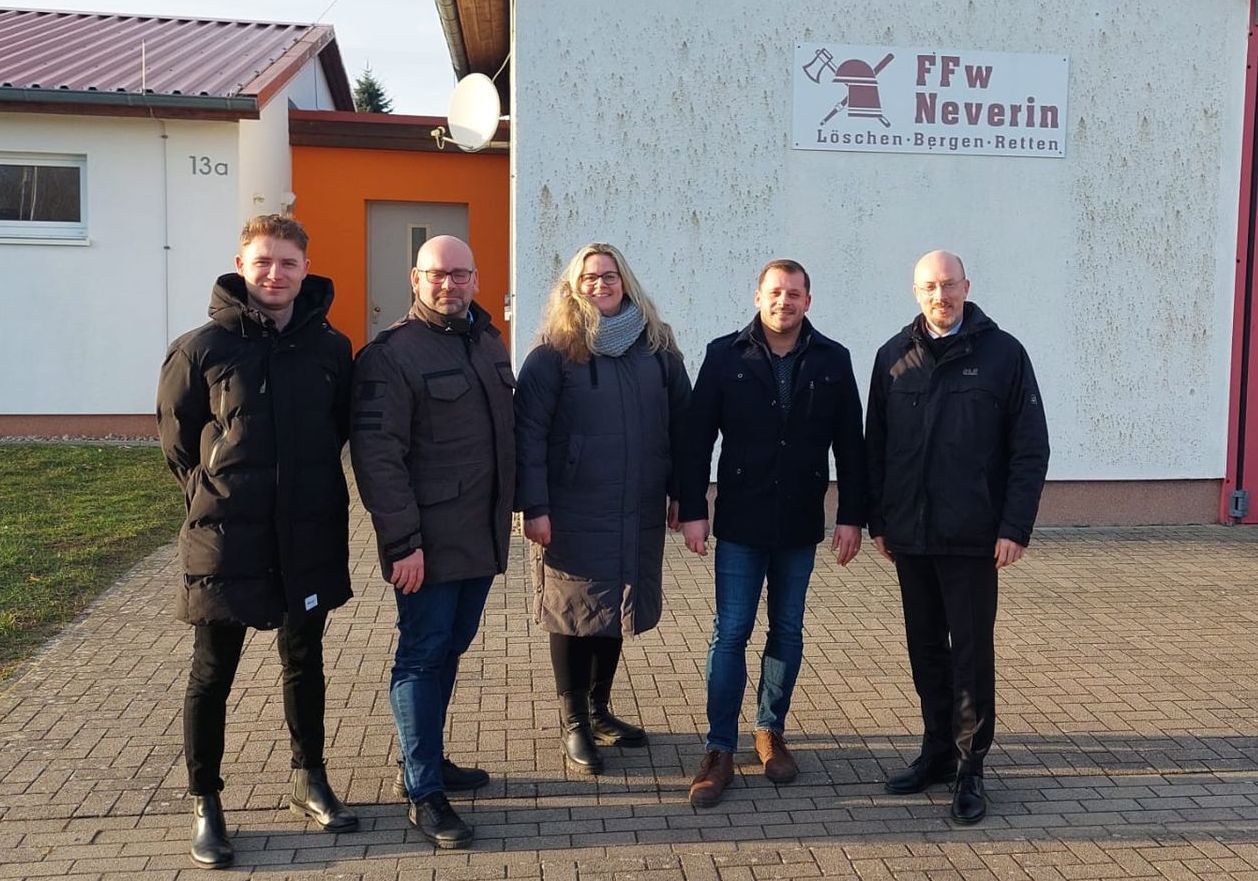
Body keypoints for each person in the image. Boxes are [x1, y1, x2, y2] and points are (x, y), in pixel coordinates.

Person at [156, 214, 357, 869]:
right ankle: (205, 800)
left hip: (307, 530)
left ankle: (309, 777)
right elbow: (178, 442)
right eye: (262, 261)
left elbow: (336, 428)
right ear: (241, 265)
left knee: (305, 658)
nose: (275, 273)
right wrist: (215, 494)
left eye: (287, 263)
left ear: (305, 269)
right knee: (213, 670)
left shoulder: (331, 347)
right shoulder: (200, 348)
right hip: (226, 536)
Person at [866, 249, 1049, 825]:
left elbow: (1030, 448)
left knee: (970, 655)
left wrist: (1014, 527)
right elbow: (876, 447)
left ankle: (971, 766)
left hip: (973, 537)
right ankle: (937, 751)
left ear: (967, 286)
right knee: (925, 651)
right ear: (915, 292)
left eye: (948, 285)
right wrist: (879, 520)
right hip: (911, 536)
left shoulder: (1004, 354)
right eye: (929, 286)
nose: (940, 296)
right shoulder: (892, 357)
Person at [678, 258, 866, 808]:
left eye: (794, 293)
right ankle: (719, 748)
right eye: (775, 293)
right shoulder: (724, 355)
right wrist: (693, 509)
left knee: (786, 629)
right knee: (730, 633)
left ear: (809, 300)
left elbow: (851, 445)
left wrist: (852, 516)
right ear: (758, 297)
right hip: (741, 519)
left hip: (799, 521)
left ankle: (770, 731)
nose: (784, 302)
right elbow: (696, 438)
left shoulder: (833, 359)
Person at [350, 235, 515, 849]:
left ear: (476, 279)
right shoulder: (390, 355)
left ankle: (429, 758)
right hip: (426, 544)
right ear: (415, 279)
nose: (450, 284)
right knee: (421, 656)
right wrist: (402, 544)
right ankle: (422, 791)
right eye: (437, 274)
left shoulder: (487, 340)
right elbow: (378, 458)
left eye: (460, 274)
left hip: (479, 537)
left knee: (449, 650)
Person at [514, 243, 691, 775]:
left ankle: (598, 710)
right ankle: (574, 723)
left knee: (614, 608)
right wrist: (534, 506)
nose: (600, 284)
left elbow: (683, 425)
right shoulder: (553, 353)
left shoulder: (657, 348)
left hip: (636, 506)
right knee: (571, 611)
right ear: (573, 287)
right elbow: (529, 435)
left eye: (609, 275)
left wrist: (683, 493)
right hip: (571, 509)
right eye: (589, 277)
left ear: (625, 281)